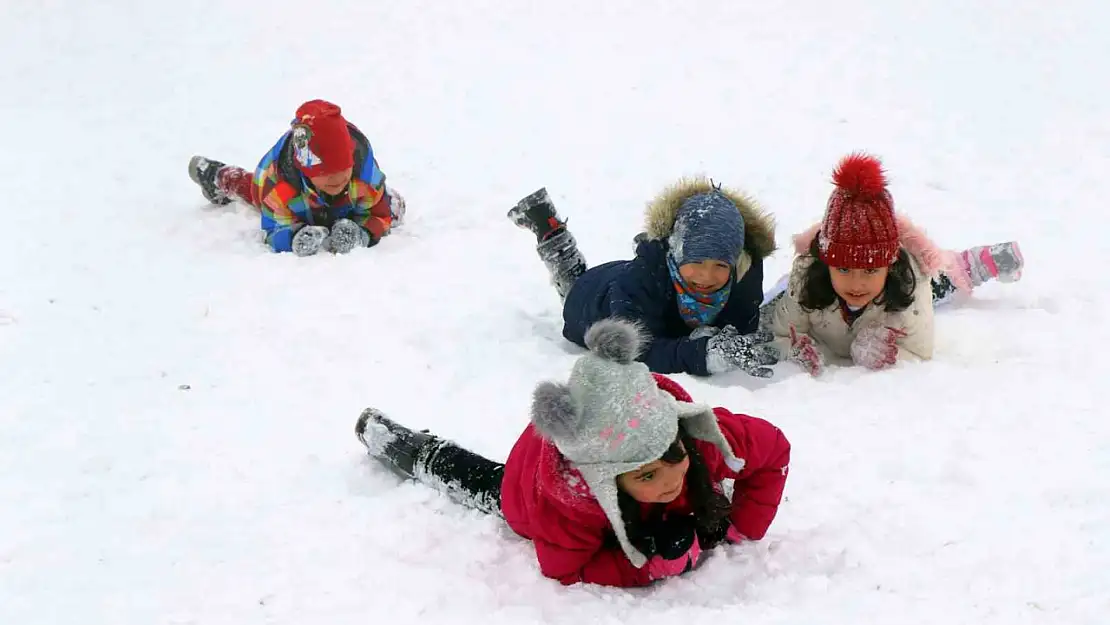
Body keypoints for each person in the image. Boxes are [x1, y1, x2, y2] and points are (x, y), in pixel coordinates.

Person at [355, 318, 791, 587]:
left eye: (671, 457)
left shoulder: (696, 435)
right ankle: (402, 445)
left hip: (598, 427)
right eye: (645, 476)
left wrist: (738, 527)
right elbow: (565, 569)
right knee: (483, 482)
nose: (670, 480)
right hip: (531, 484)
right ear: (608, 482)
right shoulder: (570, 505)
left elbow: (774, 451)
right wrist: (648, 567)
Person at [767, 152, 1024, 374]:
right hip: (839, 298)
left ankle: (969, 266)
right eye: (843, 269)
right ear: (826, 264)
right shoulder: (804, 280)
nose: (857, 283)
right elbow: (776, 335)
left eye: (870, 269)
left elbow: (919, 350)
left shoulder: (909, 285)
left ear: (889, 264)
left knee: (938, 283)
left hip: (896, 294)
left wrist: (885, 355)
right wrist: (796, 349)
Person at [507, 179, 779, 378]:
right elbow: (635, 351)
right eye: (695, 262)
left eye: (720, 264)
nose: (706, 277)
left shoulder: (745, 271)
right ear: (676, 253)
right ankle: (551, 232)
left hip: (642, 283)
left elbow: (743, 324)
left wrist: (717, 338)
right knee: (573, 282)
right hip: (593, 299)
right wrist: (703, 353)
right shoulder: (639, 281)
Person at [187, 99, 406, 256]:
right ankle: (218, 176)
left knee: (393, 207)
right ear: (307, 170)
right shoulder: (280, 187)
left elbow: (380, 214)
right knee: (253, 191)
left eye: (343, 169)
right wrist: (294, 238)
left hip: (348, 201)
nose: (337, 179)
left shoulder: (364, 177)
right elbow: (272, 230)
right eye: (326, 173)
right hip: (292, 198)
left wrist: (362, 233)